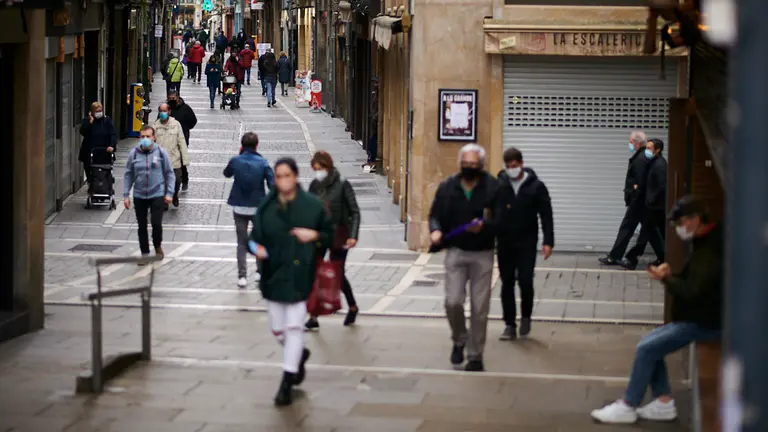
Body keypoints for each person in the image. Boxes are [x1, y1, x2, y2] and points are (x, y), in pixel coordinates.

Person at [591, 196, 722, 424]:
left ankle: (629, 405)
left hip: (704, 323)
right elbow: (696, 283)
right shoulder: (705, 241)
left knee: (646, 348)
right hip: (699, 318)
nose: (678, 229)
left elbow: (692, 291)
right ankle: (663, 402)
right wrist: (671, 276)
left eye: (680, 223)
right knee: (650, 344)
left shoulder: (709, 250)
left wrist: (667, 278)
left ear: (695, 219)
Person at [248, 157, 333, 406]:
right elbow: (253, 237)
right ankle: (298, 354)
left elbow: (329, 236)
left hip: (300, 275)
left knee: (295, 327)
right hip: (273, 275)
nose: (283, 180)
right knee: (278, 328)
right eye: (278, 176)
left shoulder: (312, 207)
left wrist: (314, 235)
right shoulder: (266, 206)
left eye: (287, 175)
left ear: (295, 177)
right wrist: (257, 249)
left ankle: (287, 380)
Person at [428, 144, 497, 372]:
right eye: (465, 164)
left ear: (481, 165)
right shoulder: (449, 186)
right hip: (456, 252)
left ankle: (475, 355)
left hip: (483, 253)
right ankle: (459, 339)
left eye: (473, 164)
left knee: (479, 308)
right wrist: (435, 230)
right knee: (453, 301)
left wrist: (485, 227)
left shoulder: (492, 188)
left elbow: (502, 219)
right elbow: (435, 214)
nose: (469, 167)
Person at [494, 147, 554, 341]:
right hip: (505, 241)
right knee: (507, 282)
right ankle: (509, 324)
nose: (512, 169)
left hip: (527, 241)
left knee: (526, 280)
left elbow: (546, 215)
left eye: (515, 165)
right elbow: (490, 212)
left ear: (521, 163)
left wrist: (548, 241)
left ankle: (526, 316)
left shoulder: (536, 186)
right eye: (508, 166)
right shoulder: (500, 185)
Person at [305, 151, 361, 330]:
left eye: (319, 168)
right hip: (320, 235)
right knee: (315, 273)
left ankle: (352, 306)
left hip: (339, 235)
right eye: (315, 169)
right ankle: (313, 316)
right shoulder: (315, 185)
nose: (317, 172)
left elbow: (354, 211)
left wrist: (353, 235)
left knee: (337, 274)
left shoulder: (343, 185)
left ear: (327, 167)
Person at [224, 132, 275, 288]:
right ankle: (260, 272)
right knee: (259, 240)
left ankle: (242, 276)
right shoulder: (263, 163)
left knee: (241, 242)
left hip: (239, 206)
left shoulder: (236, 161)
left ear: (242, 145)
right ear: (256, 145)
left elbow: (227, 173)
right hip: (257, 207)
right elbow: (272, 184)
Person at [123, 125, 175, 262]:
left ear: (154, 138)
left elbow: (170, 173)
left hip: (156, 193)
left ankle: (157, 246)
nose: (145, 139)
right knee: (142, 225)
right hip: (139, 195)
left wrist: (169, 193)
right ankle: (144, 253)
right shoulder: (134, 154)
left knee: (156, 223)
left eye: (148, 136)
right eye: (142, 137)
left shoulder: (161, 153)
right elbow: (128, 174)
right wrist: (125, 195)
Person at [599, 131, 649, 268]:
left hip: (637, 201)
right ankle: (663, 256)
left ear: (638, 143)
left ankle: (614, 256)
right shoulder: (642, 156)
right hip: (641, 201)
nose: (630, 144)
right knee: (651, 231)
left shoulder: (640, 159)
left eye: (631, 141)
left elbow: (639, 181)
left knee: (626, 227)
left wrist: (633, 194)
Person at [625, 138, 667, 267]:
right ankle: (663, 258)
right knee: (654, 233)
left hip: (655, 206)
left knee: (645, 234)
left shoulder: (659, 165)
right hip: (655, 205)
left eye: (649, 148)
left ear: (657, 150)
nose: (646, 151)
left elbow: (662, 185)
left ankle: (632, 258)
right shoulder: (653, 162)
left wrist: (651, 199)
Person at [153, 103, 190, 209]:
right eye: (161, 111)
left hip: (174, 159)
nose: (163, 113)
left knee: (177, 180)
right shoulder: (155, 126)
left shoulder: (176, 124)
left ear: (169, 112)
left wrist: (185, 159)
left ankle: (174, 195)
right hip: (161, 160)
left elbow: (181, 141)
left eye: (165, 111)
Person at [79, 102, 117, 184]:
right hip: (90, 151)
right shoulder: (87, 120)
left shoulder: (107, 120)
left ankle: (104, 183)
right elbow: (83, 132)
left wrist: (112, 145)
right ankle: (91, 184)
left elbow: (113, 134)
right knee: (89, 169)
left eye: (100, 111)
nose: (99, 113)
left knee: (105, 169)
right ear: (92, 112)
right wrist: (90, 122)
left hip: (104, 151)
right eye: (97, 111)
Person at [166, 91, 196, 192]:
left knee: (181, 161)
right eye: (170, 98)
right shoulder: (166, 109)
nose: (171, 100)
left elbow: (193, 121)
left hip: (182, 139)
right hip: (167, 140)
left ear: (178, 98)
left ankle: (184, 179)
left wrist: (185, 129)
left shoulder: (185, 108)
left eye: (173, 98)